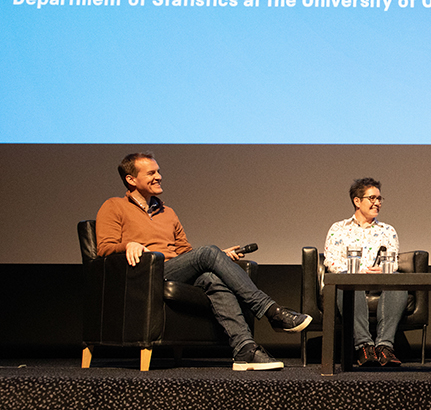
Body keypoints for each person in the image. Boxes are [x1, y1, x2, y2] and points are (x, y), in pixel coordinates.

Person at [96, 152, 312, 371]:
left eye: (159, 171)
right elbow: (104, 248)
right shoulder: (114, 206)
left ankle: (244, 349)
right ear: (131, 180)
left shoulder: (167, 212)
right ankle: (272, 312)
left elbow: (185, 252)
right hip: (145, 273)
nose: (159, 176)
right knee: (208, 252)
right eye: (151, 172)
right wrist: (128, 245)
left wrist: (220, 258)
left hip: (173, 270)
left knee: (212, 278)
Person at [324, 178, 408, 368]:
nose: (377, 203)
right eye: (372, 198)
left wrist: (384, 269)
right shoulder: (338, 229)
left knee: (397, 280)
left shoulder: (387, 230)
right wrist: (357, 272)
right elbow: (331, 261)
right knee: (346, 281)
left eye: (379, 199)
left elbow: (393, 262)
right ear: (357, 201)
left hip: (380, 281)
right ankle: (364, 346)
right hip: (352, 279)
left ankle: (384, 347)